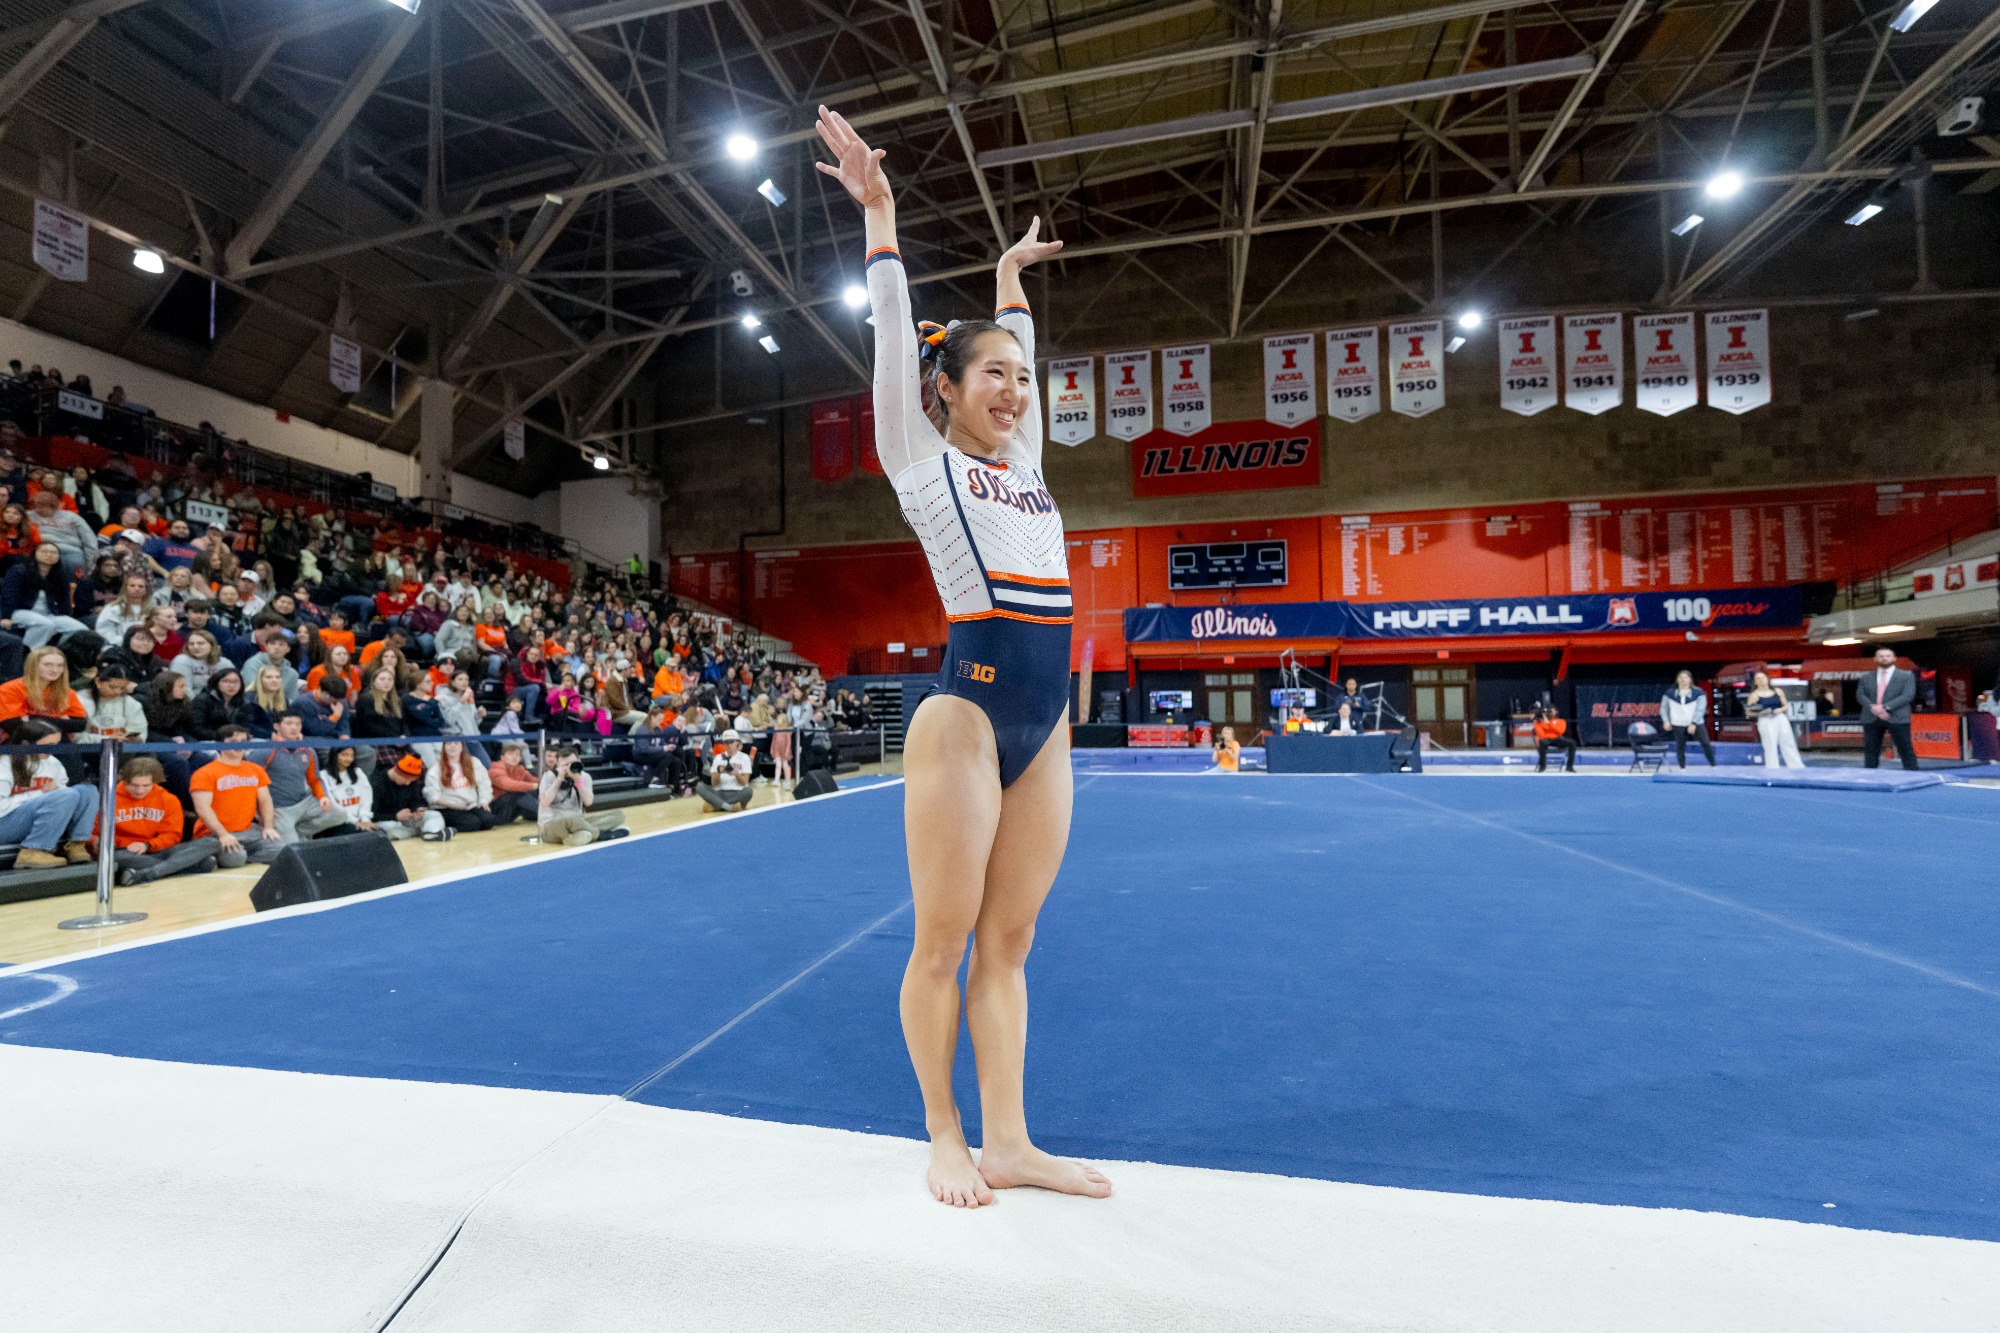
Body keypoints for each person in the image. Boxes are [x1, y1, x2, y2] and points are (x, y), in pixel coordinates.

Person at [818, 106, 1105, 1208]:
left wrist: (1007, 273)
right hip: (969, 715)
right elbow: (897, 339)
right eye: (989, 377)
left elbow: (1021, 341)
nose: (1012, 390)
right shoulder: (918, 458)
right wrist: (881, 214)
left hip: (1047, 723)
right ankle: (942, 1131)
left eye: (1018, 378)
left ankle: (1011, 1139)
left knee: (1012, 938)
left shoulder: (1024, 454)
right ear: (947, 390)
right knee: (940, 935)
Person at [0, 717, 100, 868]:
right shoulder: (4, 763)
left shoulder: (52, 762)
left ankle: (76, 845)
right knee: (66, 795)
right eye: (48, 745)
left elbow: (65, 797)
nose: (53, 749)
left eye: (56, 744)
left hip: (34, 818)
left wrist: (51, 796)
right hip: (5, 824)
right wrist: (40, 794)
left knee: (88, 791)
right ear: (26, 744)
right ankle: (34, 850)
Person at [102, 757, 218, 886]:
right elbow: (95, 835)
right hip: (127, 852)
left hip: (161, 850)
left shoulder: (168, 799)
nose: (140, 790)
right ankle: (186, 865)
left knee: (212, 842)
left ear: (155, 782)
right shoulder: (108, 798)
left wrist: (148, 845)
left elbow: (173, 835)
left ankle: (150, 873)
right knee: (114, 858)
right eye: (134, 785)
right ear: (124, 781)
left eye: (146, 786)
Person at [191, 724, 283, 867]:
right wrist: (222, 834)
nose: (239, 745)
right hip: (214, 833)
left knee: (280, 849)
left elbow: (265, 800)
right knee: (235, 860)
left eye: (243, 741)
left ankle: (240, 855)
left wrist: (268, 826)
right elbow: (203, 808)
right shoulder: (205, 773)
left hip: (248, 830)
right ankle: (215, 854)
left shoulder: (255, 769)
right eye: (234, 742)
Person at [260, 711, 347, 844]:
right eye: (289, 724)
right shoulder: (264, 751)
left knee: (339, 814)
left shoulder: (308, 750)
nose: (294, 727)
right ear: (277, 727)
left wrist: (322, 796)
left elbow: (314, 779)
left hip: (304, 802)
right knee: (293, 847)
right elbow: (252, 785)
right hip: (280, 808)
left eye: (298, 724)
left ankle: (298, 831)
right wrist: (260, 813)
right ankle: (292, 833)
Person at [1, 540, 88, 646]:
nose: (49, 555)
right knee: (45, 624)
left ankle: (57, 652)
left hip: (50, 614)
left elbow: (65, 600)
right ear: (35, 553)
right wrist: (6, 616)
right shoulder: (19, 571)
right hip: (20, 611)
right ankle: (27, 654)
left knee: (80, 629)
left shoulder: (61, 575)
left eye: (53, 552)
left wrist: (65, 616)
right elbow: (9, 594)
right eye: (44, 551)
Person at [538, 743, 624, 846]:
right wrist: (559, 779)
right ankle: (600, 834)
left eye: (573, 763)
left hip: (578, 821)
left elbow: (588, 802)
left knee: (618, 815)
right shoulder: (549, 776)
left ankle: (579, 836)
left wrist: (578, 780)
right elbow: (545, 802)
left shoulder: (584, 777)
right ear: (557, 765)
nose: (569, 768)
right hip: (552, 824)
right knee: (572, 821)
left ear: (579, 761)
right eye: (565, 765)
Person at [0, 644, 89, 740]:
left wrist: (31, 718)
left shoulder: (67, 692)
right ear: (33, 665)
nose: (55, 670)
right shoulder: (10, 688)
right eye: (48, 665)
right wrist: (61, 721)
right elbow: (12, 724)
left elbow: (80, 724)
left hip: (58, 739)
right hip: (21, 741)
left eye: (60, 666)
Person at [1856, 646, 1919, 771]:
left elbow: (1908, 695)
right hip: (1871, 717)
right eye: (1881, 656)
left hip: (1897, 717)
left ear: (1894, 658)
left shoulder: (1906, 675)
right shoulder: (1866, 677)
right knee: (1870, 751)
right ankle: (1869, 777)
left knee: (1905, 749)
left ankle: (1914, 775)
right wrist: (1872, 707)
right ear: (1875, 659)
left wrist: (1885, 707)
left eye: (1888, 656)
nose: (1884, 658)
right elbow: (1860, 695)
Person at [425, 739, 495, 833]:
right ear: (444, 747)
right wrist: (454, 805)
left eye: (456, 743)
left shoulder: (473, 762)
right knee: (472, 823)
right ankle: (443, 829)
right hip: (447, 808)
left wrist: (484, 800)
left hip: (470, 806)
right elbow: (433, 797)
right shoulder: (435, 769)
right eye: (449, 743)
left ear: (462, 746)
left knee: (489, 820)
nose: (452, 746)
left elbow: (484, 783)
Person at [370, 752, 439, 840]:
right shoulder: (376, 784)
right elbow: (372, 815)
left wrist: (417, 809)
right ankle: (428, 831)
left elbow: (416, 800)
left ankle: (429, 833)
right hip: (389, 821)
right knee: (388, 827)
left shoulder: (411, 782)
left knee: (435, 815)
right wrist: (395, 816)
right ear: (398, 772)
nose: (408, 783)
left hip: (408, 820)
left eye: (411, 781)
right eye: (407, 779)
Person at [1747, 670, 1804, 770]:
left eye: (1763, 678)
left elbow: (1786, 706)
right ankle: (1772, 767)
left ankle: (1796, 766)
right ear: (1755, 682)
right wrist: (1761, 713)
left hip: (1779, 717)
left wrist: (1779, 710)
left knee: (1788, 742)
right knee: (1770, 744)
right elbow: (1748, 713)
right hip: (1765, 719)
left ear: (1767, 679)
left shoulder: (1777, 691)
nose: (1761, 680)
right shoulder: (1754, 695)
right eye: (1758, 679)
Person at [1659, 670, 1715, 768]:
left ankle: (1713, 764)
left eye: (1685, 677)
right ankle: (1682, 767)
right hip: (1678, 723)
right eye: (1680, 677)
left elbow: (1701, 709)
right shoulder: (1669, 693)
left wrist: (1693, 723)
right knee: (1680, 746)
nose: (1683, 680)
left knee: (1706, 743)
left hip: (1696, 723)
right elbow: (1664, 708)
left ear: (1690, 680)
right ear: (1677, 680)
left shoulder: (1699, 692)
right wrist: (1666, 721)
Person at [697, 728, 754, 812]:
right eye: (726, 742)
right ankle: (729, 807)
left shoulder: (744, 757)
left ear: (737, 742)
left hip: (737, 792)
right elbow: (714, 783)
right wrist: (719, 772)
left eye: (731, 742)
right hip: (720, 792)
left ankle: (717, 805)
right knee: (699, 786)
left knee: (749, 791)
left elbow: (745, 782)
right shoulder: (718, 758)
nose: (729, 745)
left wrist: (736, 774)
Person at [322, 745, 375, 830]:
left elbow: (366, 799)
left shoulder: (358, 772)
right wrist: (354, 821)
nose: (349, 759)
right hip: (338, 823)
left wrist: (365, 819)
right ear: (334, 755)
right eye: (344, 755)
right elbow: (333, 805)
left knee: (378, 833)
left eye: (351, 755)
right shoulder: (324, 775)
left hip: (360, 820)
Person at [487, 742, 540, 824]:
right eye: (511, 754)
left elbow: (534, 780)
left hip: (509, 810)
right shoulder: (496, 769)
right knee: (517, 793)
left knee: (536, 790)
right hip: (493, 811)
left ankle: (535, 814)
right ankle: (545, 813)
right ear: (502, 757)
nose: (514, 757)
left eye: (517, 755)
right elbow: (508, 785)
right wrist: (533, 785)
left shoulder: (519, 769)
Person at [1533, 705, 1577, 773]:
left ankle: (1569, 766)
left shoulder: (1561, 721)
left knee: (1572, 743)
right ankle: (1542, 766)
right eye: (1548, 711)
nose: (1549, 712)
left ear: (1556, 712)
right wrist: (1544, 720)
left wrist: (1549, 724)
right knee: (1542, 742)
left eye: (1551, 710)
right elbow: (1541, 735)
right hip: (1545, 740)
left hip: (1557, 739)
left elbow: (1560, 731)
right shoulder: (1538, 722)